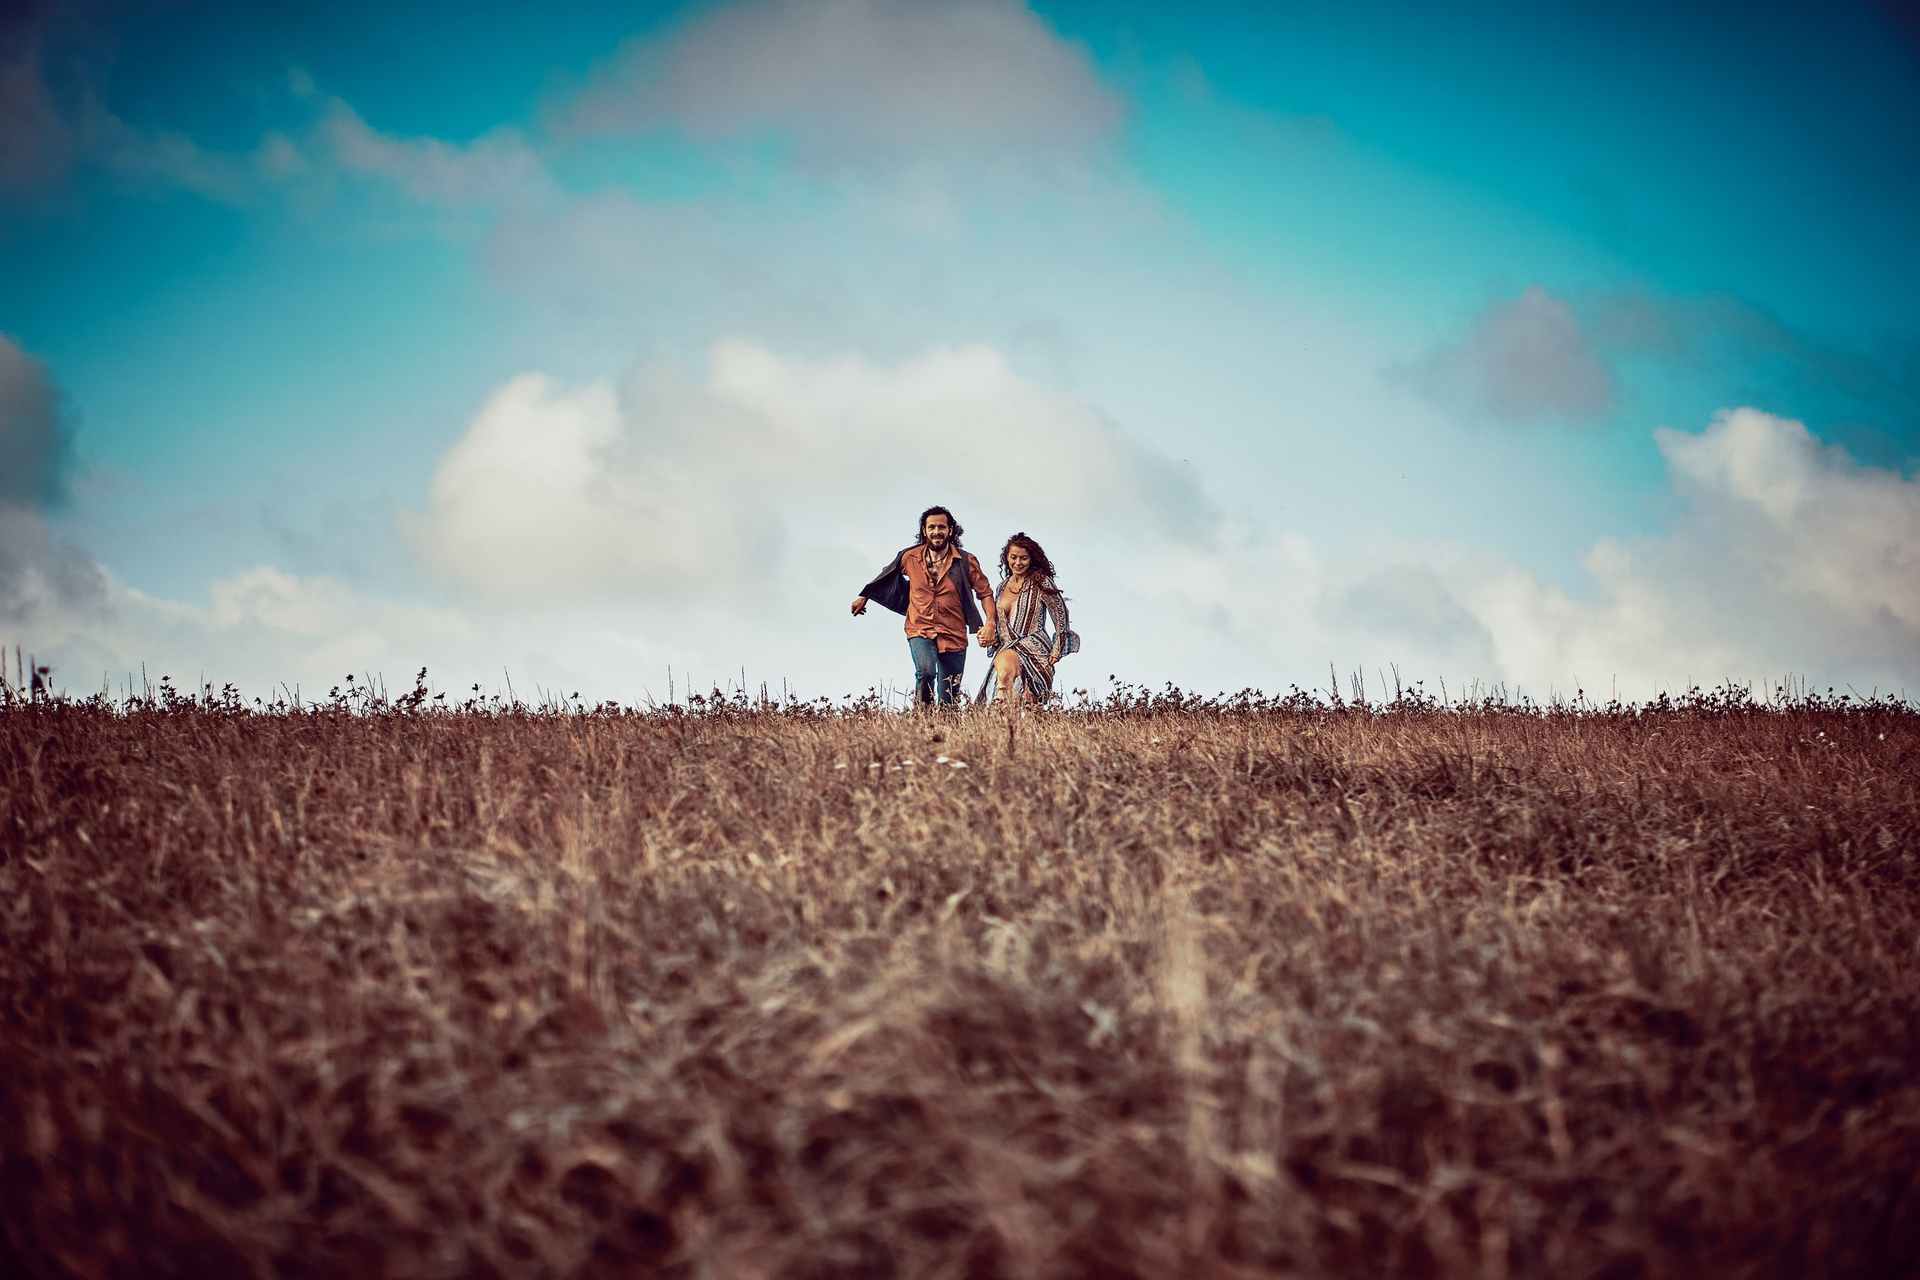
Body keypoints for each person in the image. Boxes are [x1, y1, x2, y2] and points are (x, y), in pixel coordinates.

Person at [851, 506, 998, 707]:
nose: (937, 531)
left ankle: (945, 723)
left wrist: (990, 624)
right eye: (932, 527)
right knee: (926, 671)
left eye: (941, 527)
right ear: (924, 530)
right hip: (919, 628)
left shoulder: (966, 561)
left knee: (949, 695)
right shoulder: (910, 557)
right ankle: (923, 716)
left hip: (953, 633)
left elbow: (985, 593)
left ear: (950, 530)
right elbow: (887, 575)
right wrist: (864, 596)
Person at [979, 532, 1078, 707]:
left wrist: (1058, 647)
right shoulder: (1001, 587)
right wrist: (988, 636)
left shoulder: (1041, 582)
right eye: (1014, 557)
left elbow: (1060, 612)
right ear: (1006, 557)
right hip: (1007, 648)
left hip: (1035, 648)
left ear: (1031, 559)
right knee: (1003, 676)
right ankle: (1002, 716)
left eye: (1023, 558)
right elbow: (1001, 625)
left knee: (1029, 707)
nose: (1018, 563)